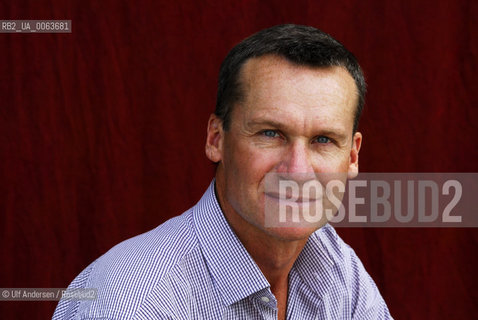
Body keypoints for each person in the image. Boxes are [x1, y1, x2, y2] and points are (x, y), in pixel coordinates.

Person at [53, 24, 392, 319]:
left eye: (323, 139)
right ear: (216, 139)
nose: (298, 171)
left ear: (351, 157)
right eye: (270, 133)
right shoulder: (132, 304)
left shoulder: (336, 268)